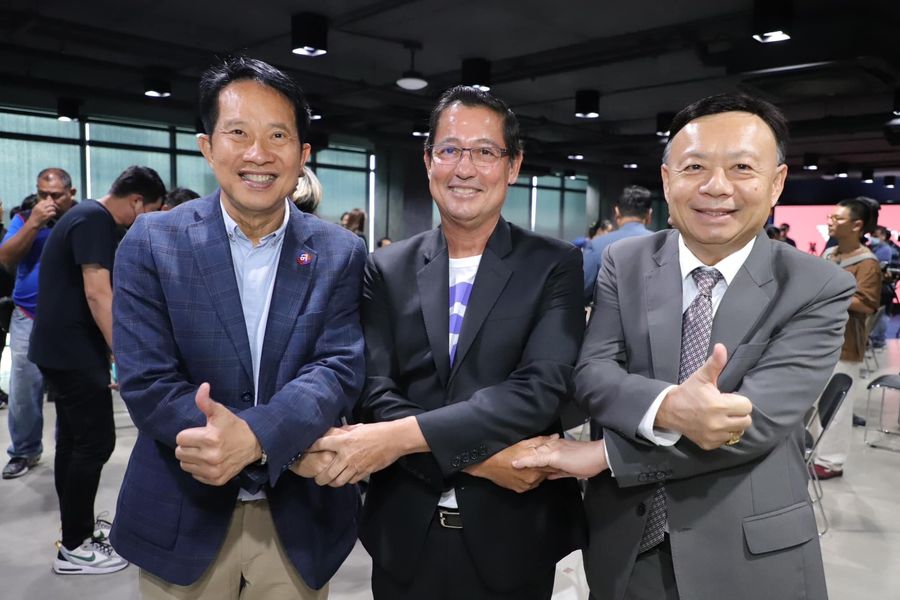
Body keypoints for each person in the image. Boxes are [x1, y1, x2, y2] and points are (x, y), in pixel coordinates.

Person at [514, 93, 854, 599]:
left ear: (776, 182)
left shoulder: (816, 285)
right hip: (623, 547)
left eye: (742, 167)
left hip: (749, 555)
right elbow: (594, 373)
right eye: (694, 166)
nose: (716, 187)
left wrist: (606, 455)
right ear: (667, 179)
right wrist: (669, 407)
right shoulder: (626, 262)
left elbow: (754, 424)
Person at [296, 85, 585, 599]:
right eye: (450, 149)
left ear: (513, 165)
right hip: (406, 532)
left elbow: (537, 392)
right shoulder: (386, 267)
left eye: (485, 152)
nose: (465, 168)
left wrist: (395, 440)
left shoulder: (553, 264)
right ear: (428, 160)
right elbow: (375, 391)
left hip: (514, 536)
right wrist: (480, 461)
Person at [110, 56, 366, 599]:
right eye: (238, 133)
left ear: (303, 155)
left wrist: (255, 439)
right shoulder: (152, 242)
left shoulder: (340, 251)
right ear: (208, 147)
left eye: (278, 135)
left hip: (297, 515)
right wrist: (234, 444)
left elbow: (338, 367)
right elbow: (147, 380)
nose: (258, 154)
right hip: (184, 509)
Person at [28, 165, 165, 574]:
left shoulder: (85, 215)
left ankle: (77, 530)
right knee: (95, 443)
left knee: (73, 443)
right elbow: (98, 293)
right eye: (151, 211)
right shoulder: (94, 221)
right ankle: (74, 546)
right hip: (72, 351)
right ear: (137, 201)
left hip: (62, 348)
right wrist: (124, 352)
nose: (148, 221)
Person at [0, 168, 76, 479]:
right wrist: (34, 223)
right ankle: (24, 450)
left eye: (56, 195)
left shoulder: (81, 218)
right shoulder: (24, 218)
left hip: (70, 318)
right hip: (28, 316)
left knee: (70, 389)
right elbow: (6, 257)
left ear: (70, 193)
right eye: (43, 194)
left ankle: (69, 450)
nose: (49, 200)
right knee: (23, 388)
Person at [811, 197, 882, 479]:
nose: (831, 222)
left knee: (837, 407)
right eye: (830, 217)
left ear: (856, 225)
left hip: (846, 344)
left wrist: (829, 295)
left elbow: (867, 304)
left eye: (838, 219)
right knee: (813, 402)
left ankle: (831, 461)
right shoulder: (829, 255)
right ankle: (812, 452)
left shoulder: (868, 263)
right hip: (817, 342)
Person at [582, 185, 654, 303]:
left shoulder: (596, 245)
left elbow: (583, 289)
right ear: (649, 214)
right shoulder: (664, 244)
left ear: (617, 212)